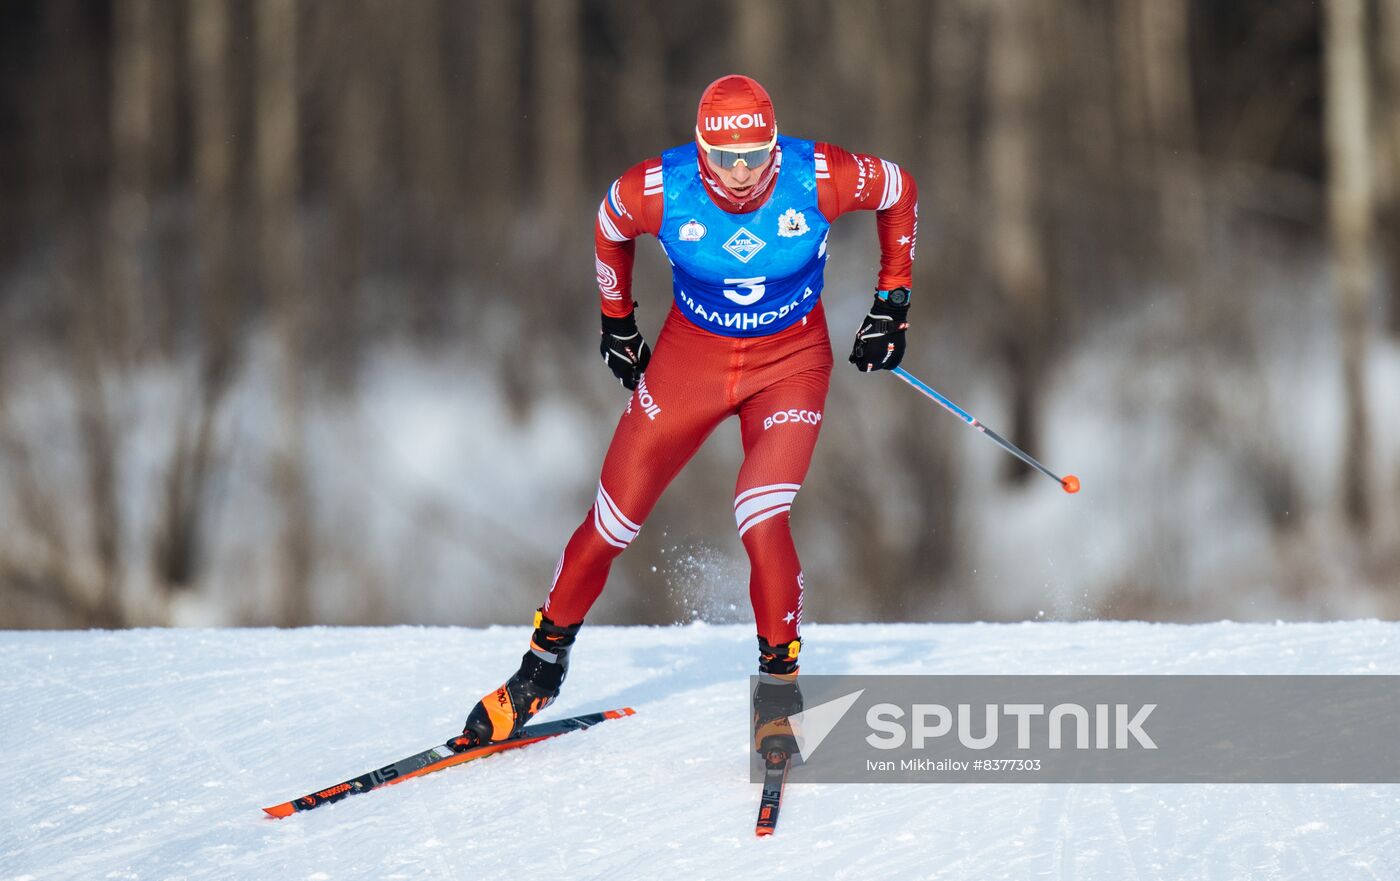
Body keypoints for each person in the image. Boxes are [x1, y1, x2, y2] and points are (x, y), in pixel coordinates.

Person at [451, 74, 916, 755]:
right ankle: (539, 670)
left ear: (775, 148)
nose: (737, 174)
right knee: (610, 521)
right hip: (689, 362)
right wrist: (616, 322)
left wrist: (892, 302)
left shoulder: (820, 174)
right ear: (699, 150)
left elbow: (899, 190)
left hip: (789, 367)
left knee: (759, 511)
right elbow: (609, 225)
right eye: (722, 158)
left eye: (754, 157)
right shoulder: (660, 187)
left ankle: (780, 693)